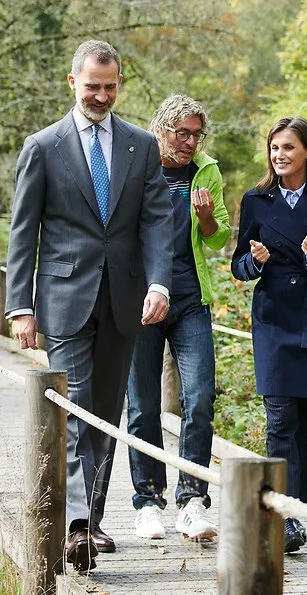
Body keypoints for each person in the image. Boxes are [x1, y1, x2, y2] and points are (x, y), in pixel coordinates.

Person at [5, 40, 174, 571]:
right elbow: (23, 231)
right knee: (74, 408)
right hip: (63, 296)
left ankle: (90, 520)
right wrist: (20, 307)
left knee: (103, 415)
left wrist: (159, 284)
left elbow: (156, 222)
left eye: (110, 86)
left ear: (119, 84)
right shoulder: (43, 146)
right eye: (92, 86)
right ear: (72, 82)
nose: (101, 95)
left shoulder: (141, 146)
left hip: (125, 299)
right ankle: (74, 523)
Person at [231, 116, 307, 553]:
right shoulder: (256, 199)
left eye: (287, 148)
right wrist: (257, 261)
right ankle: (282, 517)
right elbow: (239, 265)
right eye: (274, 148)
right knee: (279, 418)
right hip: (273, 320)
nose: (278, 155)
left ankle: (296, 513)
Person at [127, 94, 230, 540]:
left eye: (195, 134)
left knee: (200, 398)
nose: (189, 142)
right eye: (180, 133)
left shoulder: (205, 170)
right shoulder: (135, 163)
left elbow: (218, 237)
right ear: (161, 129)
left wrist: (206, 217)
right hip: (143, 301)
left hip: (190, 299)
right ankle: (147, 500)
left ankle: (191, 501)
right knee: (143, 405)